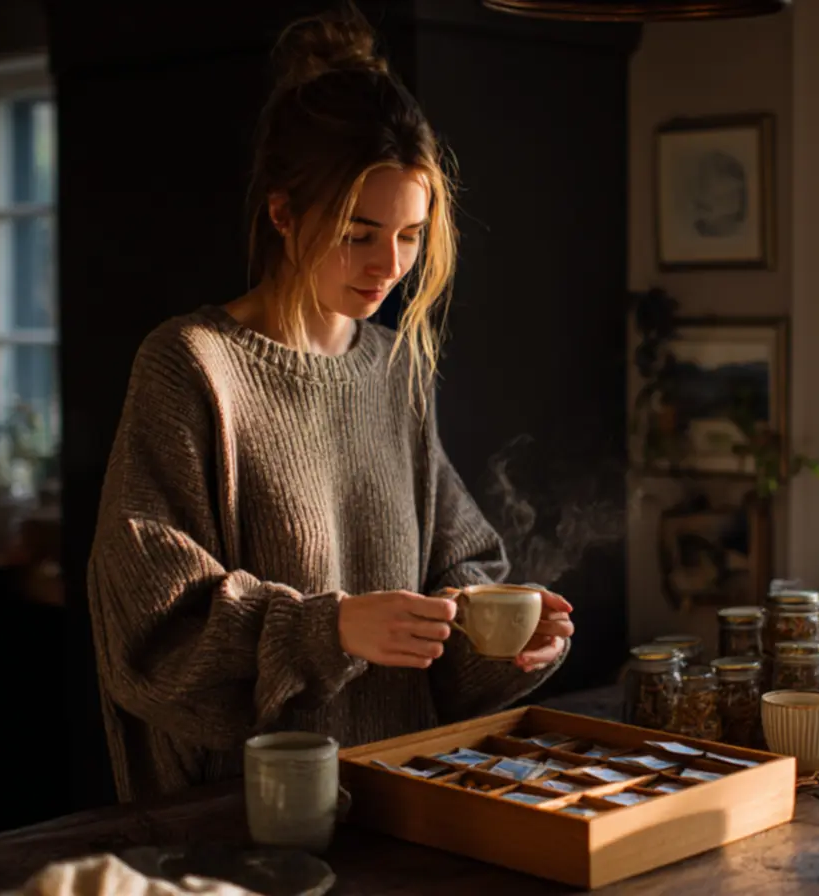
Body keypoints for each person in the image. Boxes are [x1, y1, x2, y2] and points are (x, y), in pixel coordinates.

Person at [86, 5, 574, 803]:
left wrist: (511, 641)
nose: (390, 266)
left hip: (400, 808)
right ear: (284, 213)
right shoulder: (190, 367)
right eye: (359, 232)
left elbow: (453, 590)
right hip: (245, 829)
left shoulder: (392, 371)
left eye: (411, 234)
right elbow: (150, 637)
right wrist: (330, 628)